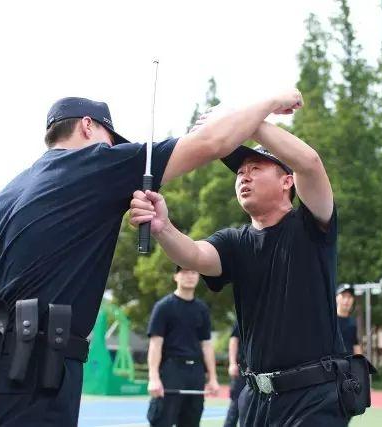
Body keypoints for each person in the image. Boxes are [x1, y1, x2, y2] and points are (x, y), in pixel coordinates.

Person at [0, 90, 303, 426]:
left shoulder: (3, 195)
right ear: (88, 125)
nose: (113, 148)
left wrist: (8, 331)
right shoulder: (97, 164)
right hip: (39, 370)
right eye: (109, 138)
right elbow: (211, 143)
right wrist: (271, 101)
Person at [130, 119, 351, 426]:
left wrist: (248, 122)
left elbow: (310, 163)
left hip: (314, 397)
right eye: (240, 172)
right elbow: (194, 253)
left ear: (288, 181)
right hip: (257, 398)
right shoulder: (235, 241)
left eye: (255, 168)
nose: (243, 176)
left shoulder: (312, 224)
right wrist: (163, 227)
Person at [146, 266, 219, 427]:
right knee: (162, 420)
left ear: (198, 277)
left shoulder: (202, 309)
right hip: (171, 369)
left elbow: (207, 345)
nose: (190, 276)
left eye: (194, 272)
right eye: (185, 272)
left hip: (196, 372)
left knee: (192, 421)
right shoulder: (163, 307)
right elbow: (155, 344)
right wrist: (153, 378)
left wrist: (213, 378)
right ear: (175, 277)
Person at [223, 321, 246, 427]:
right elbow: (234, 340)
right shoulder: (244, 315)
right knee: (236, 406)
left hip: (259, 371)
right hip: (242, 369)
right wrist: (232, 363)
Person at [336, 284, 361, 355]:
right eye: (343, 296)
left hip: (349, 363)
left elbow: (355, 344)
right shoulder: (330, 321)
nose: (346, 300)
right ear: (336, 298)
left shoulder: (352, 321)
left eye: (349, 297)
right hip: (333, 363)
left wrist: (361, 363)